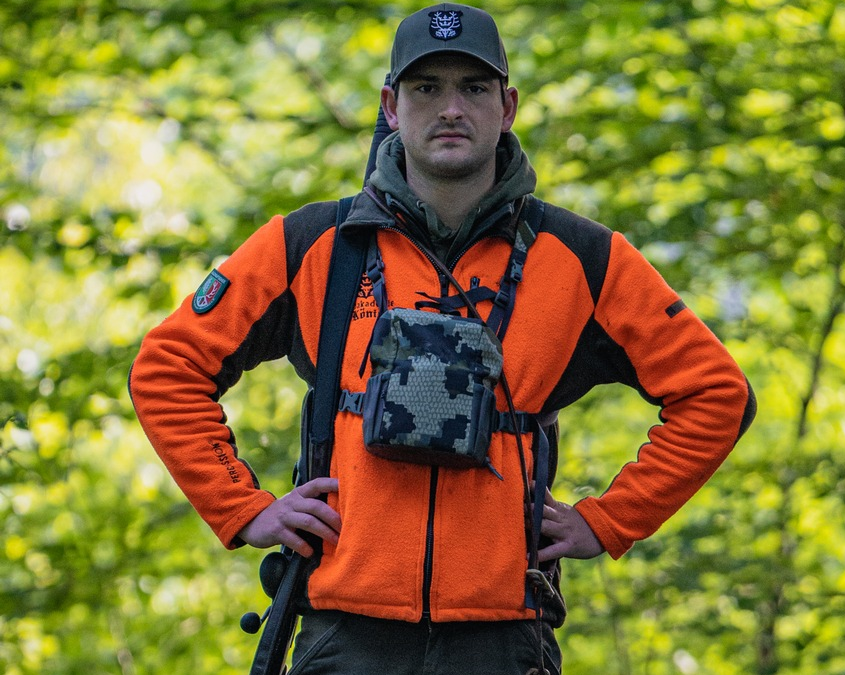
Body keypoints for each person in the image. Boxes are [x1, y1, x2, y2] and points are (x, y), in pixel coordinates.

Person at [129, 3, 755, 673]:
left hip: (502, 636)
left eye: (474, 88)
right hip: (345, 633)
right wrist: (242, 507)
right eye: (427, 88)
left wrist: (608, 520)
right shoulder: (314, 244)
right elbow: (168, 366)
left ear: (507, 108)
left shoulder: (582, 256)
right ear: (391, 107)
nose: (450, 109)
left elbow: (716, 393)